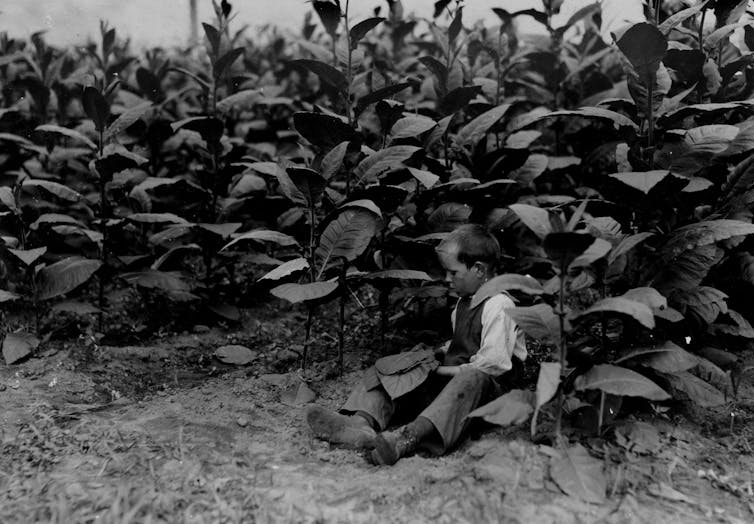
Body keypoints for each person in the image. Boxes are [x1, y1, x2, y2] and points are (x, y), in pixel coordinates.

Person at [305, 224, 527, 465]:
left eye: (453, 273)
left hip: (488, 398)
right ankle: (360, 423)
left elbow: (492, 364)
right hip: (455, 389)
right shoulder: (464, 303)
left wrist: (440, 370)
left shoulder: (499, 304)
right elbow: (466, 342)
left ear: (479, 269)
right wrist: (434, 355)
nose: (447, 279)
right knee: (397, 366)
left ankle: (406, 438)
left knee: (472, 378)